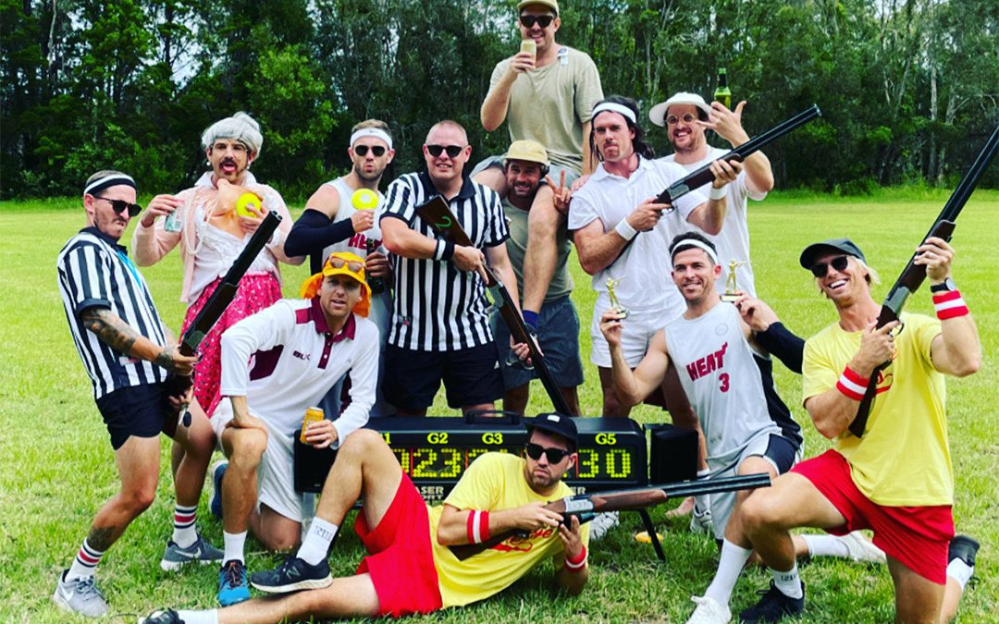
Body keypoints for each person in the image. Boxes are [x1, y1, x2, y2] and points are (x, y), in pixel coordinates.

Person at [141, 413, 589, 624]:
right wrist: (516, 516)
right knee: (363, 441)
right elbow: (451, 530)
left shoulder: (572, 512)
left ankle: (187, 621)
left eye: (552, 455)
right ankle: (312, 555)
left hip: (432, 583)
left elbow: (569, 591)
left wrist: (574, 559)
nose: (539, 462)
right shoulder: (496, 465)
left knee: (309, 603)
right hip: (420, 526)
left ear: (570, 462)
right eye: (533, 450)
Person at [739, 238, 981, 623]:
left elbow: (967, 360)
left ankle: (958, 567)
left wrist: (941, 282)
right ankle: (788, 590)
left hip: (915, 490)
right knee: (757, 512)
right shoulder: (820, 347)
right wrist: (861, 364)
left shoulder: (915, 329)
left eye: (840, 262)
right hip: (850, 474)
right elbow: (827, 423)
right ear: (819, 285)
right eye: (821, 270)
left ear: (865, 271)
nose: (831, 272)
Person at [599, 232, 804, 623]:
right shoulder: (669, 336)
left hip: (770, 436)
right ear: (672, 277)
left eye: (697, 266)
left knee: (751, 477)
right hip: (724, 461)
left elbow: (801, 358)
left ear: (715, 270)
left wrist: (768, 324)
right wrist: (615, 347)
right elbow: (634, 392)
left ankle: (716, 602)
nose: (689, 274)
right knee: (755, 552)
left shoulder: (742, 314)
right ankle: (845, 548)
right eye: (680, 268)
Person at [54, 171, 220, 617]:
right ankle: (76, 579)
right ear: (90, 203)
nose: (125, 215)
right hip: (126, 387)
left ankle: (184, 540)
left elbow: (147, 319)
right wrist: (162, 357)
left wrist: (176, 366)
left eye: (130, 207)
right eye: (116, 205)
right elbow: (99, 320)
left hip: (157, 377)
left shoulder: (117, 256)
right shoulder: (83, 250)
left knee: (202, 438)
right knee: (139, 494)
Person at [210, 252, 380, 606]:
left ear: (360, 296)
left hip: (289, 434)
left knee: (286, 541)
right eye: (333, 281)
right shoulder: (292, 314)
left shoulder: (365, 334)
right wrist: (240, 411)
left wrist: (336, 428)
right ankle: (233, 561)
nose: (340, 291)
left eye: (350, 286)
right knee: (251, 443)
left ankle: (226, 484)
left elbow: (363, 400)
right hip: (245, 413)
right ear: (319, 286)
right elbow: (233, 339)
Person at [568, 96, 740, 419]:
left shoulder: (666, 174)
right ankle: (615, 470)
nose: (607, 137)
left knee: (686, 406)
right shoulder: (587, 193)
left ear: (632, 132)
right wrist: (630, 225)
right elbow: (589, 259)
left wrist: (718, 188)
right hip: (619, 315)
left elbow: (710, 223)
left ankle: (698, 472)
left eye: (615, 128)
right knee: (615, 403)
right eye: (599, 130)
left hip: (670, 309)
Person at [132, 112, 300, 421]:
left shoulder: (267, 197)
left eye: (238, 147)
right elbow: (147, 256)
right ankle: (194, 453)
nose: (228, 154)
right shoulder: (188, 200)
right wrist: (145, 222)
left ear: (251, 156)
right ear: (209, 153)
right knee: (197, 393)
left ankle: (240, 463)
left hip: (262, 301)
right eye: (220, 146)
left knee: (260, 387)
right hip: (211, 306)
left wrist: (267, 229)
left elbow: (295, 255)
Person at [379, 120, 520, 417]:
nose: (444, 155)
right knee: (407, 428)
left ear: (467, 153)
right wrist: (453, 252)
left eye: (453, 150)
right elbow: (394, 238)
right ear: (425, 152)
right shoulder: (406, 187)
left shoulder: (487, 199)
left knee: (484, 424)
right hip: (412, 333)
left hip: (470, 330)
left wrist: (519, 327)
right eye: (436, 149)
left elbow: (501, 265)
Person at [284, 119, 395, 419]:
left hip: (374, 313)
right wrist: (347, 226)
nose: (369, 156)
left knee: (368, 398)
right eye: (362, 149)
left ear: (390, 156)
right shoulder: (333, 194)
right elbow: (296, 242)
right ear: (351, 154)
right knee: (323, 401)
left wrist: (388, 270)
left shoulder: (389, 203)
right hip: (329, 313)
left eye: (376, 150)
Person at [478, 140, 583, 415]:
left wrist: (569, 211)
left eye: (530, 171)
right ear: (505, 170)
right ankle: (517, 452)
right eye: (515, 170)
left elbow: (586, 242)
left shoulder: (556, 208)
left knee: (565, 393)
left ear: (542, 174)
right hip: (509, 311)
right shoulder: (492, 207)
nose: (522, 178)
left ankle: (575, 451)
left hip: (556, 308)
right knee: (514, 395)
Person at [475, 0, 603, 197]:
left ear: (556, 24)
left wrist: (587, 178)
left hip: (564, 164)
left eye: (543, 20)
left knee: (541, 214)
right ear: (519, 24)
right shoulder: (504, 68)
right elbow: (489, 124)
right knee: (474, 195)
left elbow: (592, 125)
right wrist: (510, 76)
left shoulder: (579, 64)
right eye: (528, 20)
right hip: (517, 161)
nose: (535, 27)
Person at [651, 92, 774, 297]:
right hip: (677, 297)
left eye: (688, 118)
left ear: (705, 123)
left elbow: (764, 183)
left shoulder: (726, 160)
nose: (680, 126)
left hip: (732, 291)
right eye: (672, 120)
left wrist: (738, 135)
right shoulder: (656, 170)